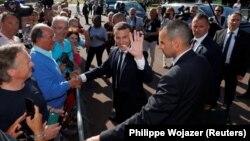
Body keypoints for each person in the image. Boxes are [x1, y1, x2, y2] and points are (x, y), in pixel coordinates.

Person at [86, 20, 213, 141]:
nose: (159, 46)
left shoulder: (172, 77)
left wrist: (102, 138)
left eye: (162, 42)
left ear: (176, 43)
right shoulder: (202, 60)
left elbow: (147, 117)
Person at [80, 22, 153, 124]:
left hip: (135, 107)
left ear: (131, 36)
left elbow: (148, 78)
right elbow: (102, 69)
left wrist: (139, 58)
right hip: (118, 103)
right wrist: (82, 77)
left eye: (125, 37)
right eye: (118, 38)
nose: (121, 41)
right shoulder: (114, 51)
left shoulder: (140, 54)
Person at [0, 43, 61, 140]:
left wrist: (51, 110)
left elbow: (37, 101)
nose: (32, 64)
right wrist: (42, 136)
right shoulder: (2, 106)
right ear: (11, 72)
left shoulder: (29, 79)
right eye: (27, 62)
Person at [30, 23, 82, 109]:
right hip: (53, 110)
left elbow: (52, 77)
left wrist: (66, 77)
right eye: (50, 37)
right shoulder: (36, 60)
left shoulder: (44, 53)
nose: (54, 39)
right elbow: (48, 92)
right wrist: (69, 84)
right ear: (38, 40)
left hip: (57, 104)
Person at [213, 12, 249, 111]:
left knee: (230, 88)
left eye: (237, 20)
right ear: (228, 20)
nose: (235, 22)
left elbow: (246, 57)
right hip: (218, 67)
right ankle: (213, 102)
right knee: (214, 85)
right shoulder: (219, 33)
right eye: (233, 19)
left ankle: (226, 105)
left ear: (240, 22)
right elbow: (213, 51)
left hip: (233, 68)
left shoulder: (246, 37)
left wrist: (241, 73)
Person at [191, 13, 223, 110]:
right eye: (195, 26)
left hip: (201, 96)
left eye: (201, 26)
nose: (197, 29)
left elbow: (216, 77)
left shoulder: (213, 48)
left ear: (208, 27)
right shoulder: (190, 41)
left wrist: (209, 101)